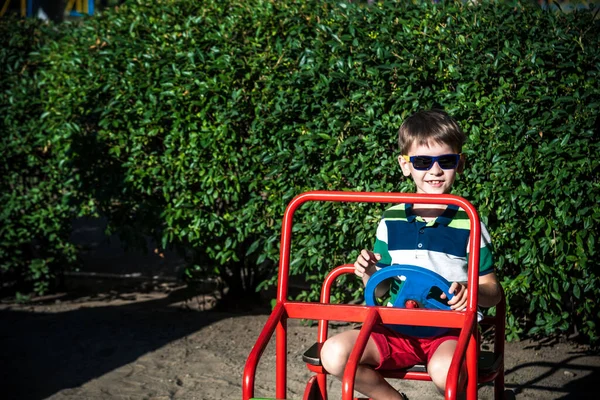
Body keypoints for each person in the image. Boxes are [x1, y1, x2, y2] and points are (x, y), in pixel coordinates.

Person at [319, 109, 502, 400]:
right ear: (405, 165)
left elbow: (493, 291)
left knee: (446, 370)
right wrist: (369, 275)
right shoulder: (390, 218)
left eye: (446, 161)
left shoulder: (469, 221)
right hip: (394, 326)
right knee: (334, 353)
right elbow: (379, 288)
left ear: (460, 163)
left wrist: (472, 292)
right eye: (422, 162)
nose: (435, 171)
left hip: (450, 331)